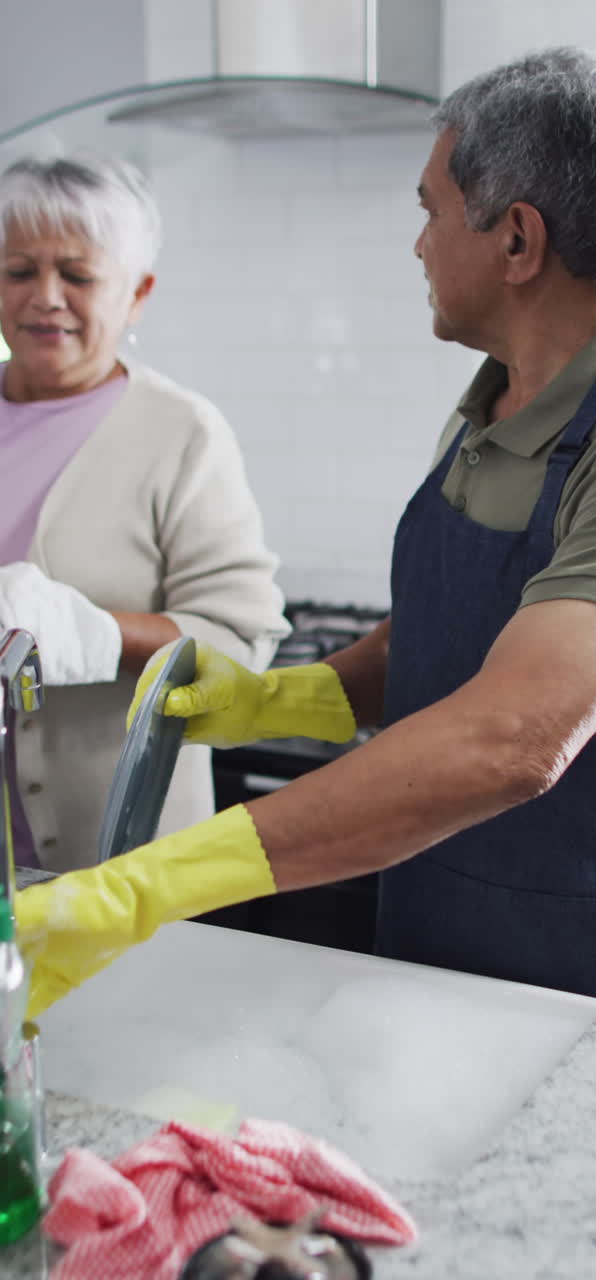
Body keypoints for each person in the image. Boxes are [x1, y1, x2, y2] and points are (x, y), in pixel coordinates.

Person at [18, 47, 596, 1017]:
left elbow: (513, 733)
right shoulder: (499, 400)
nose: (420, 244)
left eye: (430, 210)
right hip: (433, 952)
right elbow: (443, 635)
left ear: (516, 241)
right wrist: (288, 698)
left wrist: (149, 885)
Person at [0, 151, 289, 871]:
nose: (46, 297)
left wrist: (95, 635)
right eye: (18, 271)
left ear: (137, 293)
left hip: (125, 861)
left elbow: (242, 642)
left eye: (77, 274)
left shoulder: (182, 434)